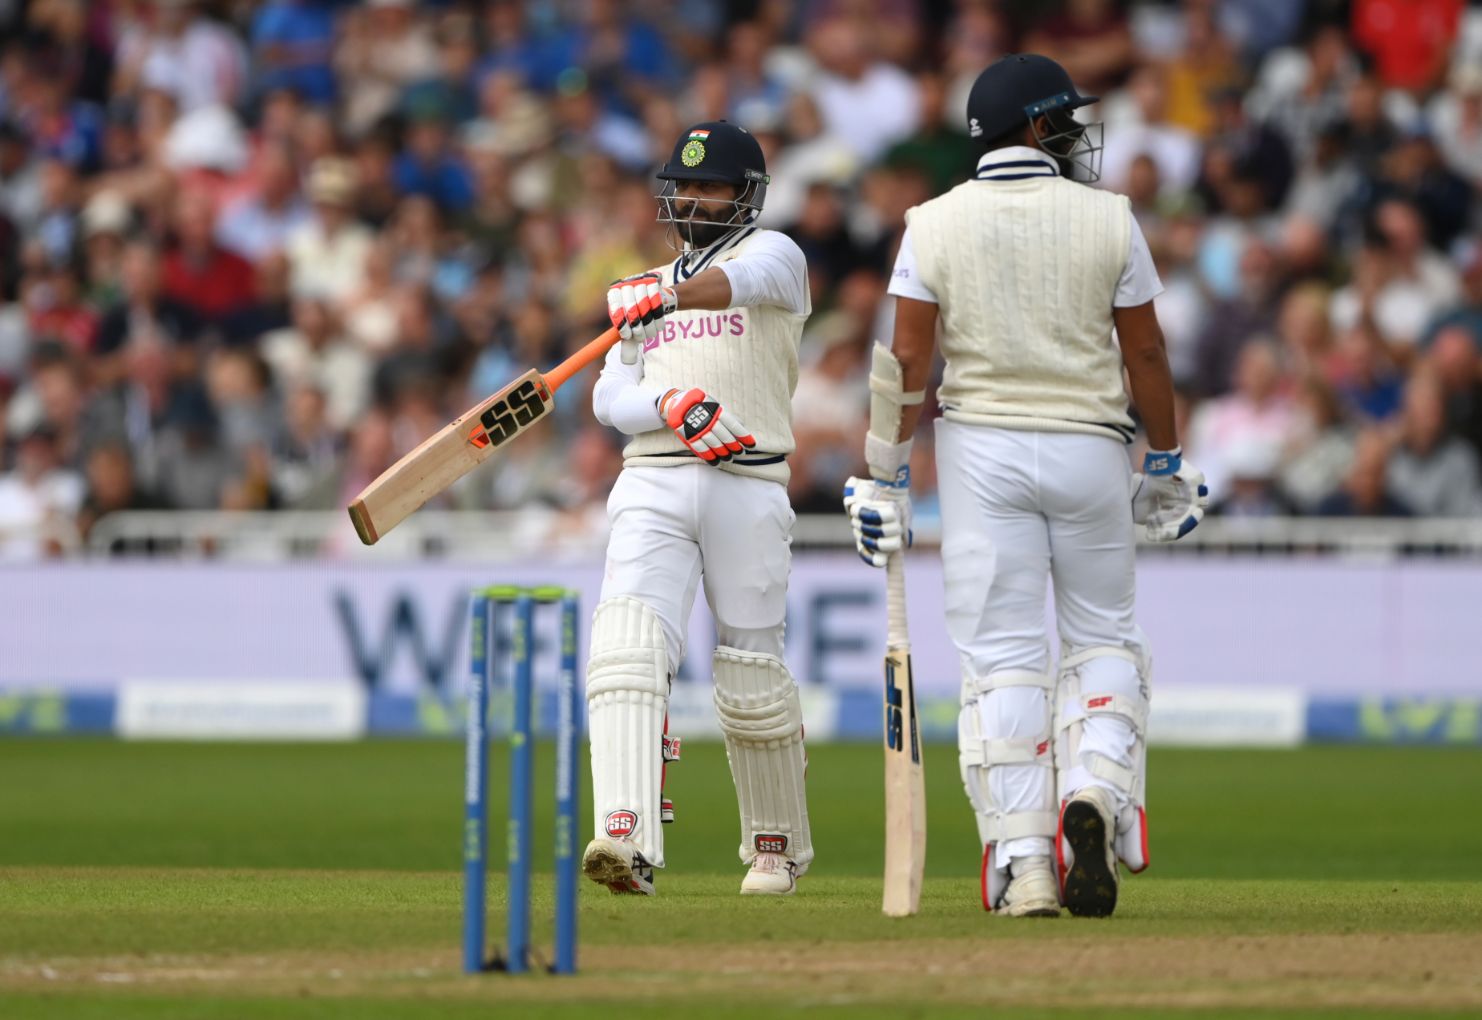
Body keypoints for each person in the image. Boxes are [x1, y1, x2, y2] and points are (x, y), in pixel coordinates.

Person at [844, 55, 1207, 919]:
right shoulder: (1111, 218)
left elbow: (906, 362)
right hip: (1089, 447)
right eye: (1067, 122)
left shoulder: (929, 223)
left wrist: (884, 476)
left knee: (1002, 656)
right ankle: (1096, 795)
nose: (1078, 135)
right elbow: (1146, 354)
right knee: (1104, 639)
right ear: (1038, 128)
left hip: (981, 454)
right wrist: (1165, 462)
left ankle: (1023, 862)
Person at [581, 121, 813, 897]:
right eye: (684, 185)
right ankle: (625, 840)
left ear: (746, 193)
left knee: (751, 669)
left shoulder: (778, 256)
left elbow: (744, 286)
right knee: (626, 647)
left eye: (713, 185)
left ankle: (773, 849)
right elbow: (609, 396)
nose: (695, 197)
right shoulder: (645, 285)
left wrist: (667, 296)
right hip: (653, 475)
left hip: (749, 478)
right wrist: (668, 401)